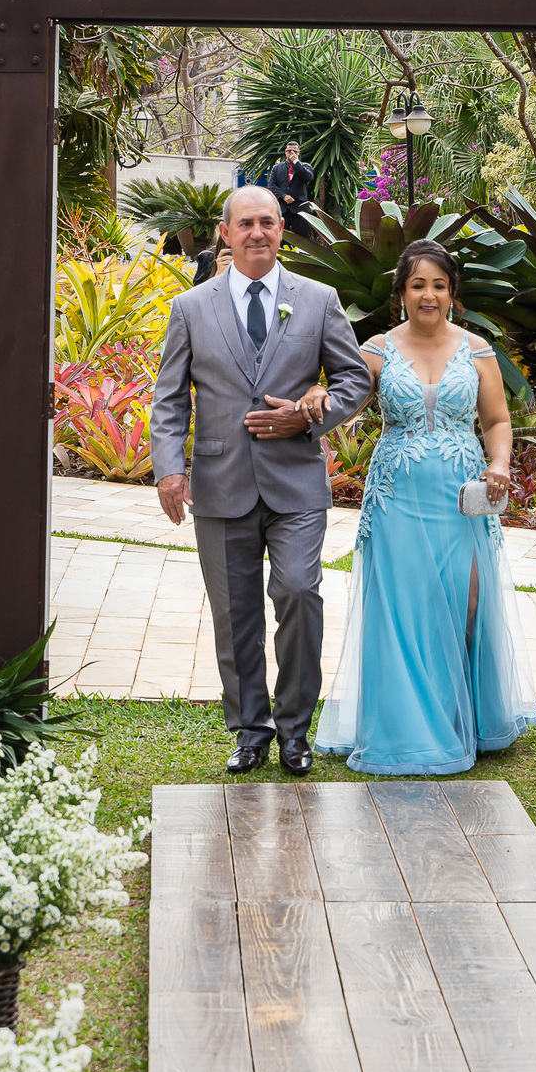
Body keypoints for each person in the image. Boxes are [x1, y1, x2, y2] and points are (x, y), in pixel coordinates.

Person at [149, 185, 369, 775]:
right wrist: (170, 468)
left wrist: (306, 413)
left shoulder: (318, 300)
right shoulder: (191, 307)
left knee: (299, 593)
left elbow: (353, 381)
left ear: (281, 228)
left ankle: (296, 730)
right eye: (245, 223)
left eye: (268, 222)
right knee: (235, 614)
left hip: (296, 480)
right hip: (221, 484)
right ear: (225, 233)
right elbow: (170, 399)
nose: (258, 233)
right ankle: (250, 729)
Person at [314, 239, 536, 774]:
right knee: (403, 609)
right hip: (396, 497)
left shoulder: (478, 350)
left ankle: (462, 719)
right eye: (418, 285)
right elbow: (342, 396)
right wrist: (313, 396)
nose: (429, 295)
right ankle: (406, 729)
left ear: (453, 294)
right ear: (401, 294)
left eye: (439, 285)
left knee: (465, 605)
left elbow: (498, 421)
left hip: (463, 499)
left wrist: (501, 463)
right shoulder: (376, 349)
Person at [267, 141, 316, 238]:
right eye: (289, 151)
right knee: (278, 238)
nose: (291, 153)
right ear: (285, 152)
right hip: (282, 209)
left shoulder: (305, 167)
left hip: (299, 210)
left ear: (298, 153)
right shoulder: (277, 168)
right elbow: (271, 185)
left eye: (294, 151)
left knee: (304, 240)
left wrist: (296, 162)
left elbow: (308, 178)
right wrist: (283, 196)